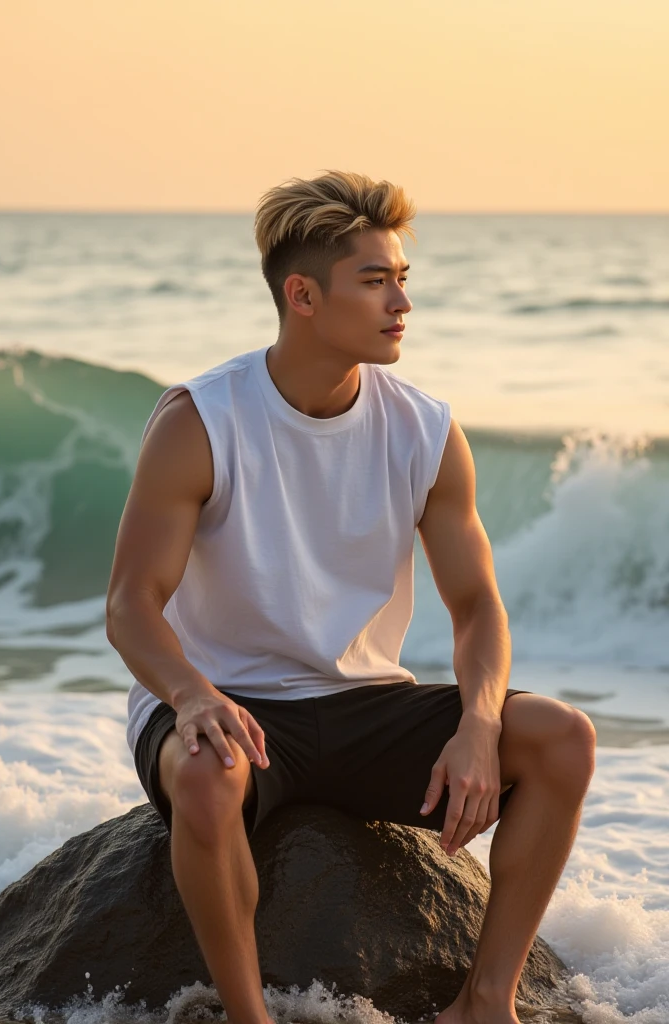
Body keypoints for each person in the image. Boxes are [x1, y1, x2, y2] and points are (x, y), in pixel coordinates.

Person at [106, 170, 596, 1024]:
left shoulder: (426, 431)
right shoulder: (201, 419)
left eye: (403, 279)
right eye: (375, 282)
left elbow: (477, 605)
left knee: (562, 739)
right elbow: (130, 605)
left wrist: (479, 726)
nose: (400, 302)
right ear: (302, 295)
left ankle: (486, 1002)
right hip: (229, 700)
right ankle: (248, 1016)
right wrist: (190, 695)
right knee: (211, 776)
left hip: (366, 704)